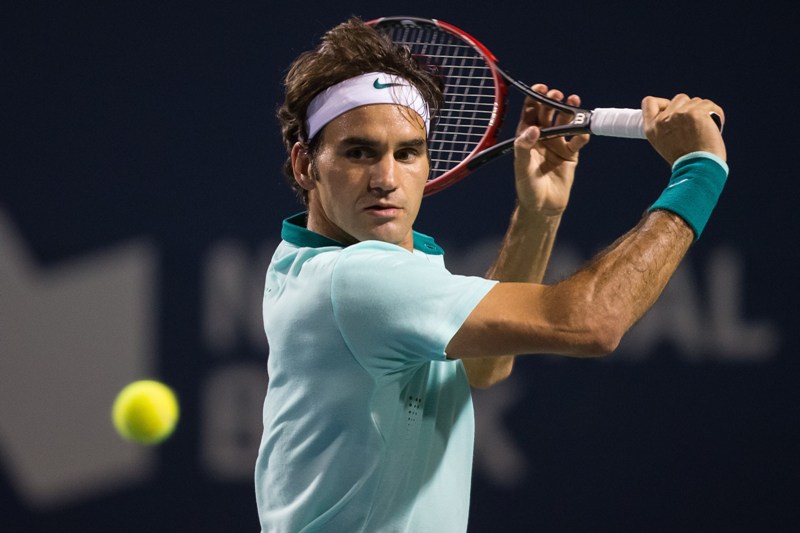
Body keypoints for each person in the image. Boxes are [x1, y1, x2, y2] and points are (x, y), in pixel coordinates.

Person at [255, 17, 727, 533]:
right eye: (359, 152)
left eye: (408, 152)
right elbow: (593, 321)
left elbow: (486, 366)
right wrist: (700, 170)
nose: (387, 179)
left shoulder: (310, 263)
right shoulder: (356, 281)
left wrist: (538, 213)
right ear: (306, 164)